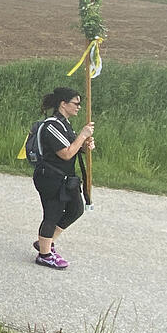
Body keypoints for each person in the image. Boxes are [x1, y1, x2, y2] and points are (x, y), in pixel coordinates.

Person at [32, 87, 95, 270]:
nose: (79, 107)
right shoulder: (52, 125)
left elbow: (73, 147)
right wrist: (82, 135)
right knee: (52, 214)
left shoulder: (65, 124)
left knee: (76, 209)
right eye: (76, 103)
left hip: (66, 178)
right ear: (63, 104)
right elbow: (66, 154)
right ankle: (44, 255)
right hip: (50, 178)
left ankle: (46, 241)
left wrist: (84, 145)